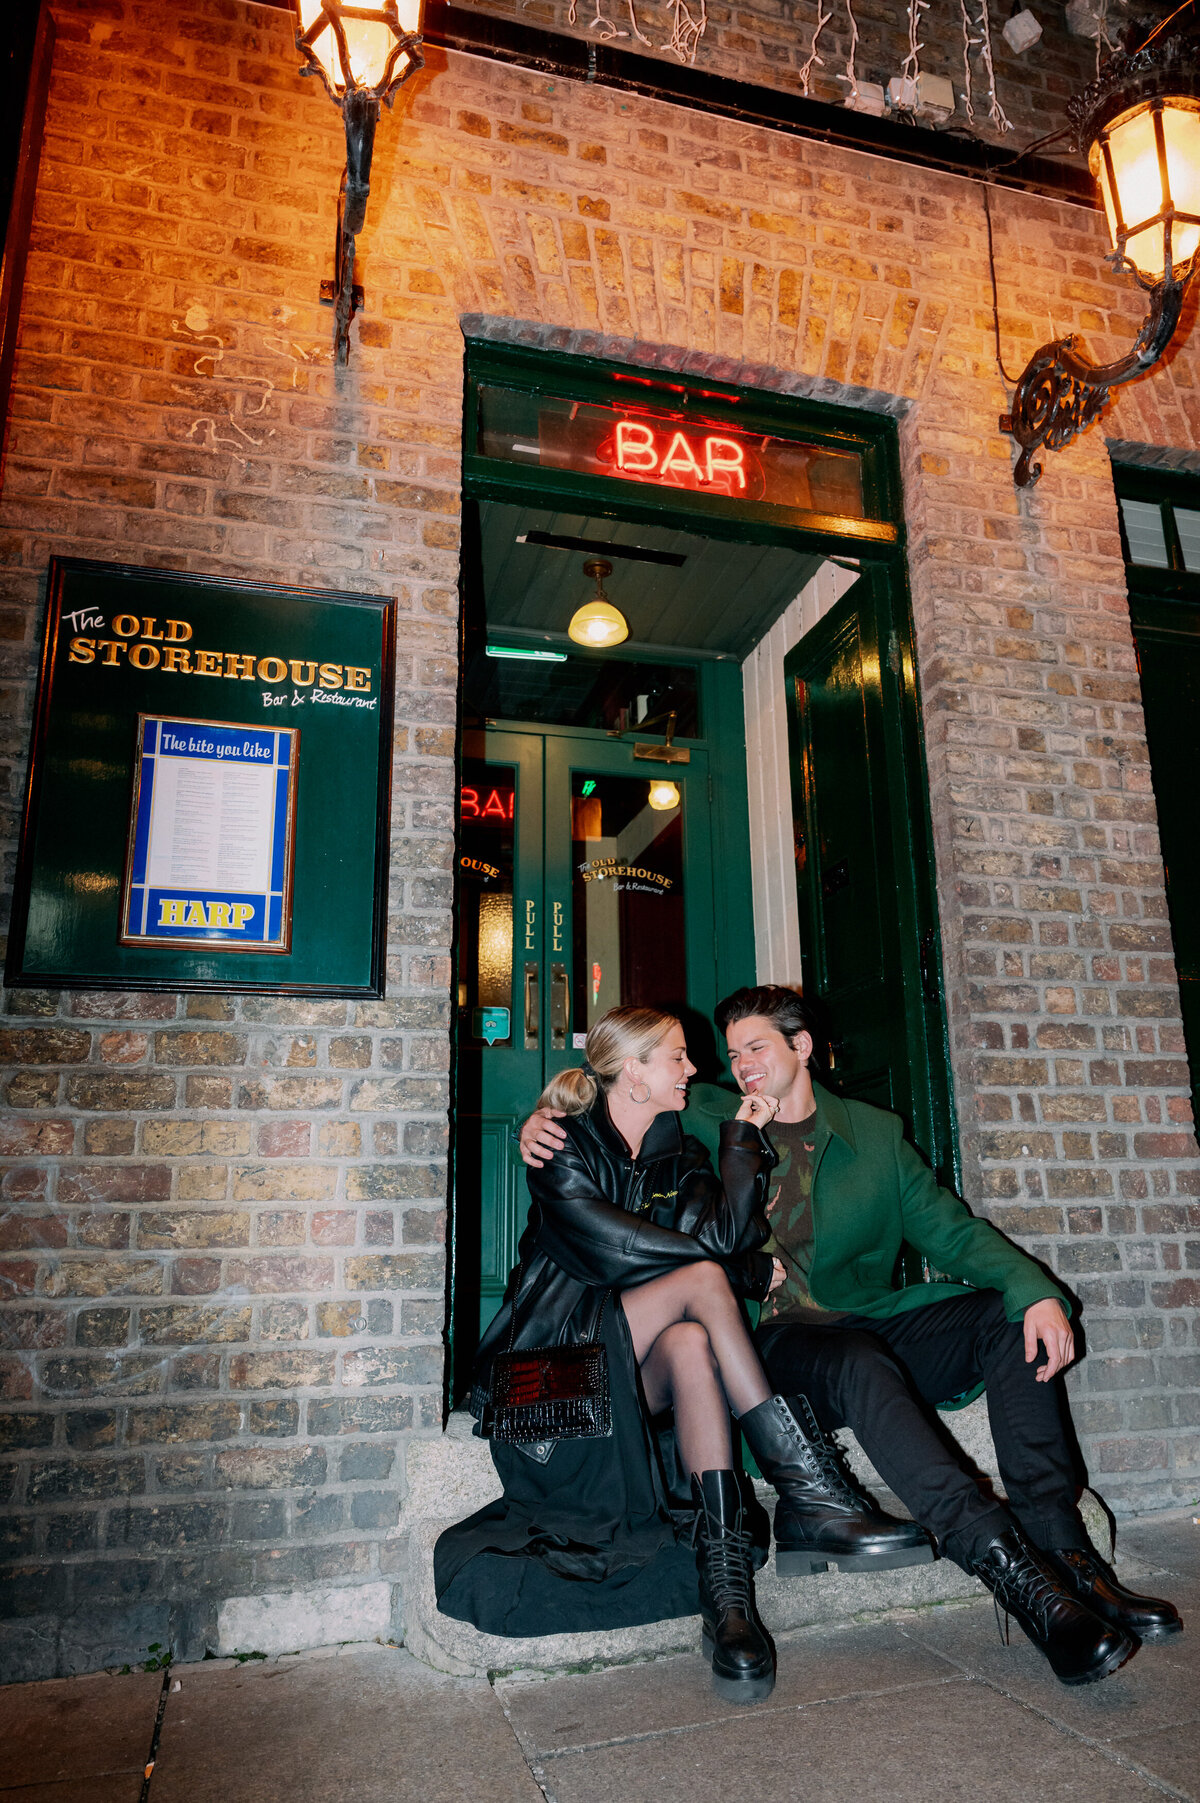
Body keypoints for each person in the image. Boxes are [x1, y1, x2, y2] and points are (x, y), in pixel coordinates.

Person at [520, 984, 1183, 1688]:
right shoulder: (702, 1111)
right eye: (730, 1051)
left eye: (757, 1047)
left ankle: (1070, 1557)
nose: (738, 1064)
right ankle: (1021, 1582)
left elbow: (952, 1232)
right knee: (856, 1355)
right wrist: (543, 1116)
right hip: (768, 1347)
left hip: (861, 1320)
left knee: (1003, 1314)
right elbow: (617, 1104)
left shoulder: (873, 1132)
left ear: (801, 1046)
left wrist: (1037, 1293)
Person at [435, 1003, 929, 1706]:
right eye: (676, 1057)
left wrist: (740, 1138)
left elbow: (726, 1231)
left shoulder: (683, 1154)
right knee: (699, 1281)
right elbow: (619, 1250)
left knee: (693, 1336)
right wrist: (746, 1272)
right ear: (632, 1071)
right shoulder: (563, 1149)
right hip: (551, 1384)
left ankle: (729, 1601)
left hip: (628, 1379)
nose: (693, 1069)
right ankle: (806, 1485)